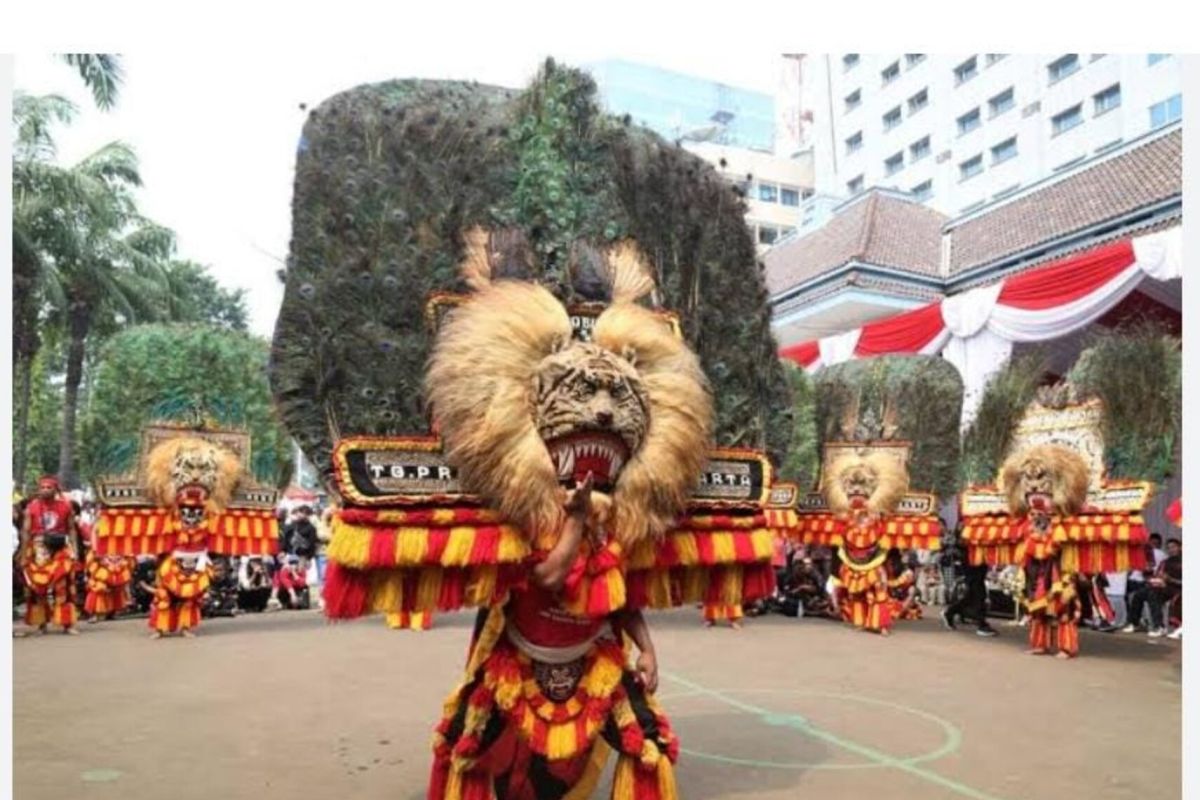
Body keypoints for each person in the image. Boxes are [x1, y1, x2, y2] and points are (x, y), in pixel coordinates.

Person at [19, 476, 81, 635]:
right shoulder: (31, 507)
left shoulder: (66, 506)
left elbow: (72, 529)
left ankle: (67, 624)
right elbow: (26, 532)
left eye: (49, 488)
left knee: (63, 585)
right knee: (38, 587)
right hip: (39, 548)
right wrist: (24, 553)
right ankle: (42, 622)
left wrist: (74, 550)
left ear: (56, 490)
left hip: (60, 547)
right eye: (42, 487)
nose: (45, 490)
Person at [940, 538, 998, 637]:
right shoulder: (965, 526)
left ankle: (950, 612)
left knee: (972, 594)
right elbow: (960, 542)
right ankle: (981, 624)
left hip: (979, 557)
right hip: (970, 558)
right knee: (979, 592)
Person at [283, 505, 319, 572]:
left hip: (303, 555)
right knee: (288, 573)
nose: (301, 514)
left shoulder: (311, 528)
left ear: (308, 515)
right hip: (291, 553)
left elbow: (312, 543)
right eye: (300, 512)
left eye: (305, 513)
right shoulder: (292, 525)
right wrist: (283, 551)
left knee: (299, 573)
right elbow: (286, 538)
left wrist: (309, 558)